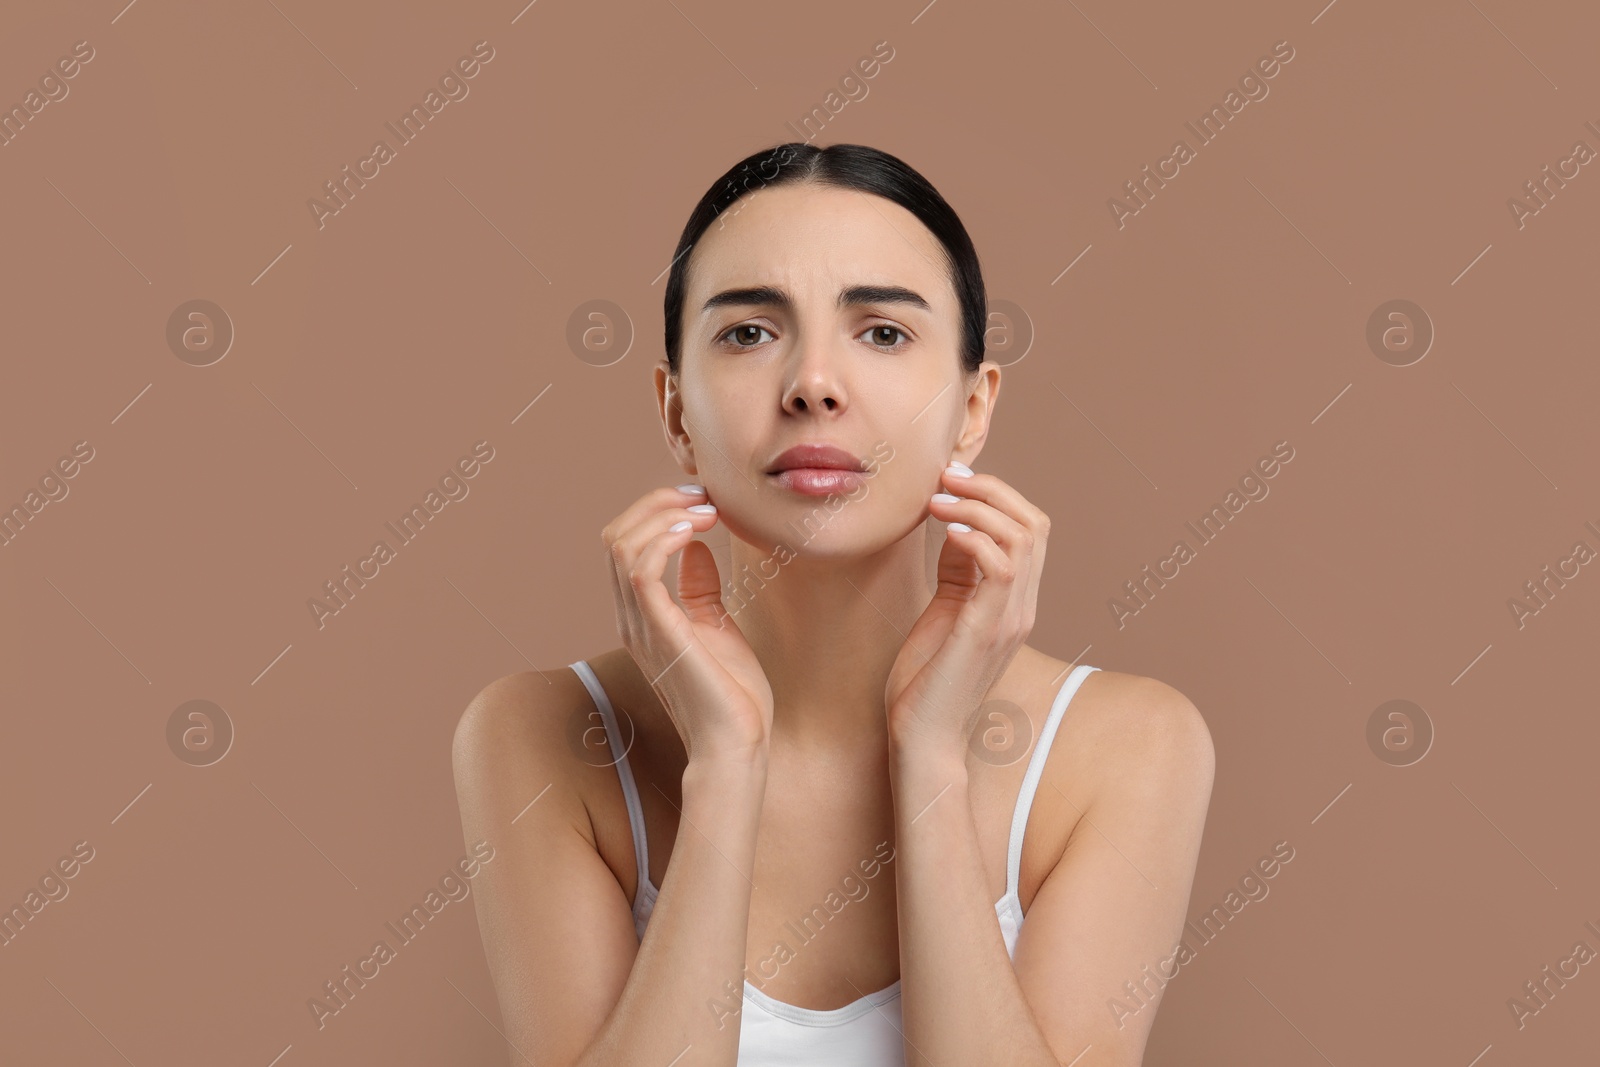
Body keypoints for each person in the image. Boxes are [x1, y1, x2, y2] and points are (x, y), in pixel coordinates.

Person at [452, 142, 1215, 1067]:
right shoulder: (537, 736)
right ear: (675, 413)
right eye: (748, 332)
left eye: (883, 332)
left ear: (972, 409)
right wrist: (727, 763)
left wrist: (929, 753)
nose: (813, 383)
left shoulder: (1129, 747)